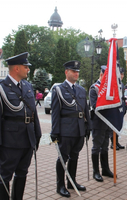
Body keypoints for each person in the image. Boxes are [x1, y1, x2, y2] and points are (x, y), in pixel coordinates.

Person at [0, 52, 42, 200]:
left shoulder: (28, 86)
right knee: (4, 176)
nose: (28, 69)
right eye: (25, 67)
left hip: (27, 140)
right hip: (10, 141)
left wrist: (37, 134)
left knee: (22, 173)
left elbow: (33, 113)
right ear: (16, 68)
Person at [50, 60, 91, 198]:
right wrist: (55, 131)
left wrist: (88, 126)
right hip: (66, 130)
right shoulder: (59, 89)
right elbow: (55, 113)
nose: (76, 73)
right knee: (63, 158)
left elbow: (85, 110)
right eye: (74, 71)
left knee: (75, 156)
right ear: (66, 72)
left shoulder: (81, 90)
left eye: (77, 71)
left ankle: (71, 181)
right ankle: (60, 185)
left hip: (79, 128)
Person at [89, 65, 115, 181]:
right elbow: (95, 106)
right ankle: (96, 171)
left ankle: (105, 169)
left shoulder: (110, 88)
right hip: (98, 122)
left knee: (105, 146)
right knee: (97, 147)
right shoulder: (94, 88)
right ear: (101, 75)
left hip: (107, 122)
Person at [110, 67, 125, 150]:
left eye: (122, 74)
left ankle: (116, 142)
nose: (122, 76)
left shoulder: (121, 84)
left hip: (120, 108)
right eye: (120, 74)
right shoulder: (114, 83)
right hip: (114, 108)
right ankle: (113, 142)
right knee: (113, 126)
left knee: (119, 125)